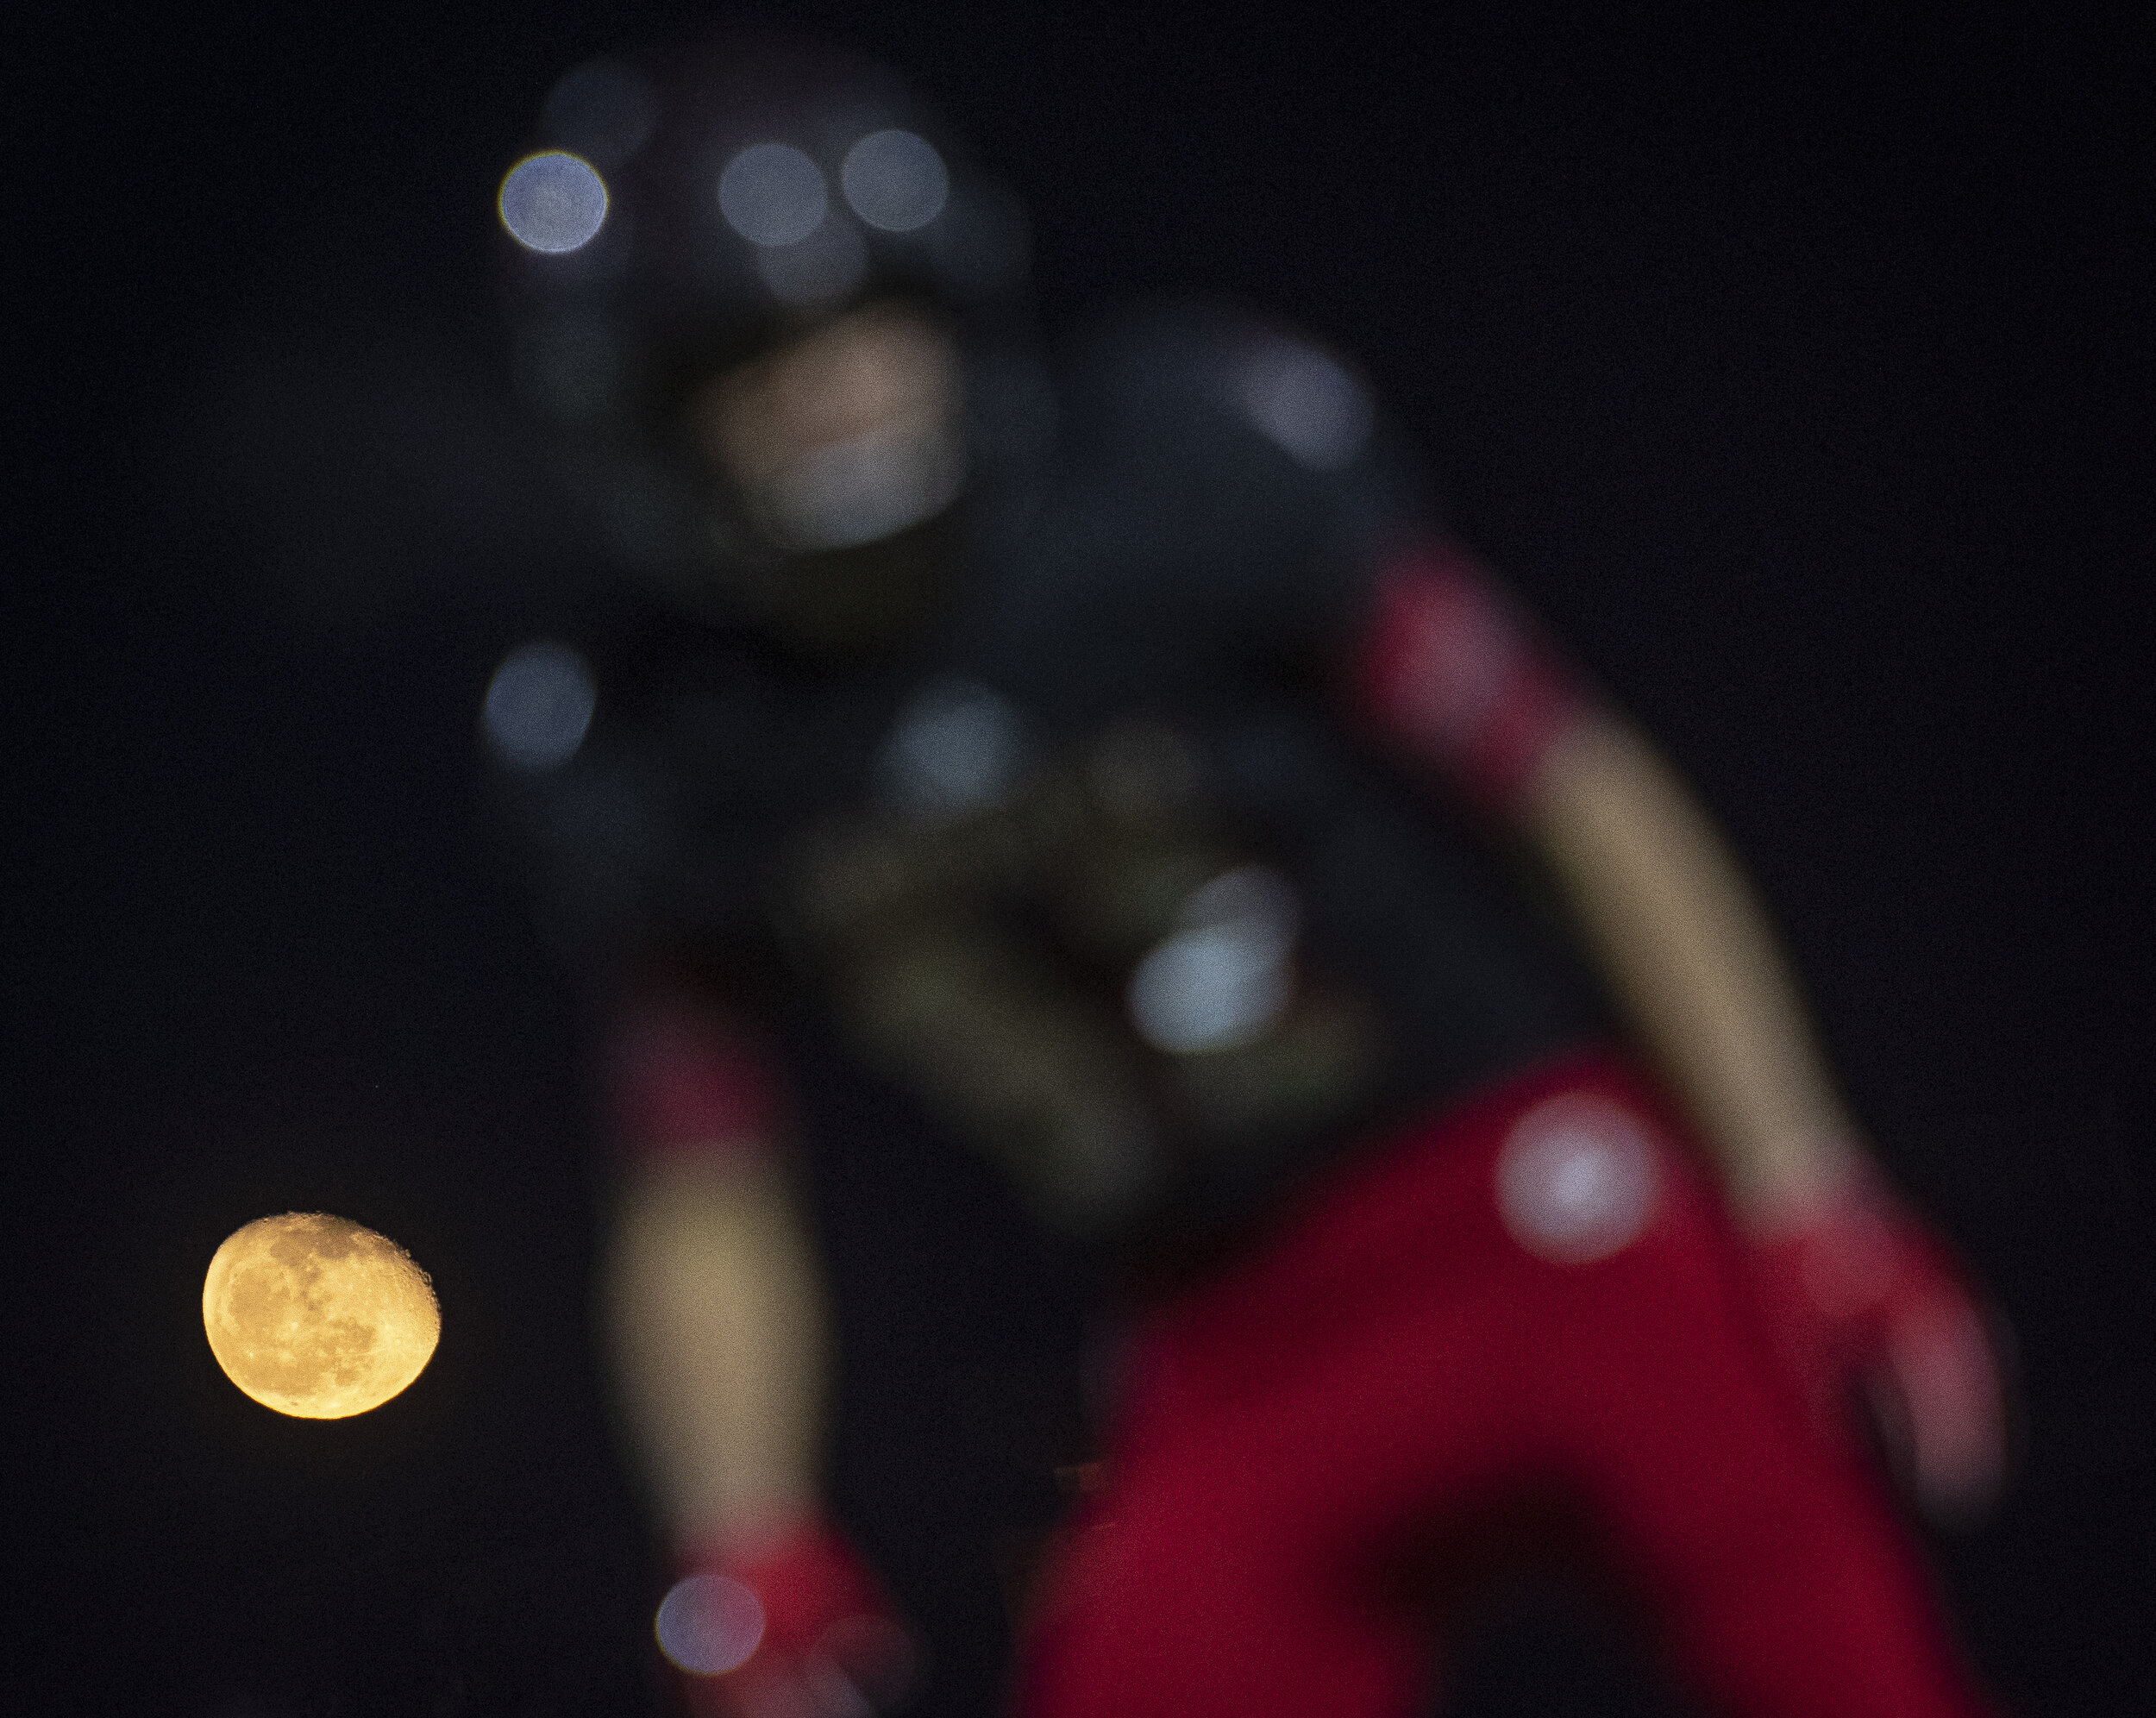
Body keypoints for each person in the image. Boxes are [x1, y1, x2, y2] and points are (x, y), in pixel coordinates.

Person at [480, 34, 2009, 1718]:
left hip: (1521, 1206)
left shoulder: (1166, 471)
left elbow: (1572, 789)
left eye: (860, 328)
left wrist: (1800, 1181)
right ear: (649, 421)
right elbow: (702, 1174)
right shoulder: (662, 740)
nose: (833, 391)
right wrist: (739, 1538)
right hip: (1213, 1344)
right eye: (749, 362)